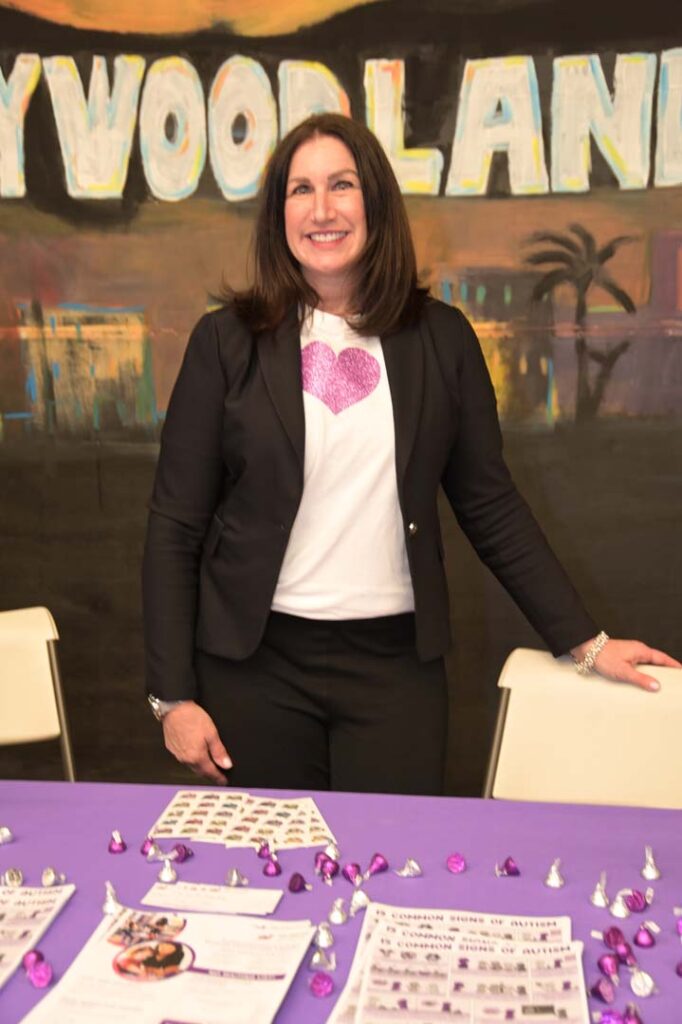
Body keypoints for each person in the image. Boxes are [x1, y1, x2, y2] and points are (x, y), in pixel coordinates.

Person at [142, 113, 679, 795]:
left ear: (375, 203)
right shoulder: (225, 343)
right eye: (301, 190)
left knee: (395, 854)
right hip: (253, 669)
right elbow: (175, 525)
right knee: (277, 859)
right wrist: (172, 697)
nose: (322, 209)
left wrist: (586, 642)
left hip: (396, 670)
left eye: (342, 185)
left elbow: (490, 504)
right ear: (279, 214)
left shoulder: (443, 340)